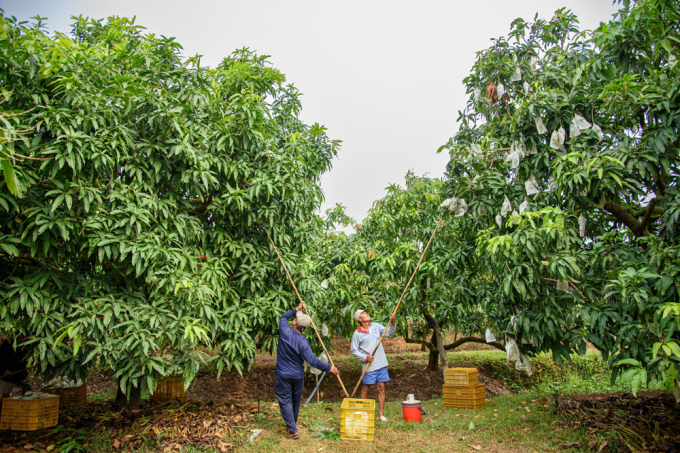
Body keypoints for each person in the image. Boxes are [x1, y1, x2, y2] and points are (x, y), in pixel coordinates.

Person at [275, 302, 339, 440]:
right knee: (295, 400)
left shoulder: (284, 331)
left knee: (286, 400)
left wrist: (295, 309)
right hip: (297, 375)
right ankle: (293, 423)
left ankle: (292, 430)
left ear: (294, 322)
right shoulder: (303, 342)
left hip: (284, 374)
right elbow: (312, 360)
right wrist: (329, 368)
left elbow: (282, 317)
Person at [350, 309, 396, 422]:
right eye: (364, 314)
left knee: (381, 387)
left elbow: (389, 333)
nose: (366, 314)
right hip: (369, 366)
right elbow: (354, 350)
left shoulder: (375, 326)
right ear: (359, 319)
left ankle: (381, 414)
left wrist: (392, 322)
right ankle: (363, 412)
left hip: (381, 363)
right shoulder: (357, 334)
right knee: (366, 387)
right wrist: (365, 357)